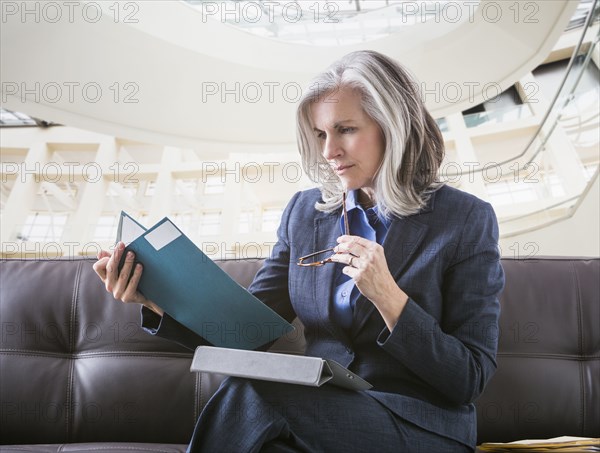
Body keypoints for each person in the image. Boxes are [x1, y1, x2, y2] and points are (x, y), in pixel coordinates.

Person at [93, 50, 505, 452]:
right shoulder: (305, 214)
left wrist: (389, 297)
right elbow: (246, 334)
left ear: (392, 126)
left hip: (419, 423)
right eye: (321, 134)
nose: (329, 151)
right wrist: (161, 298)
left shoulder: (466, 220)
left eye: (345, 129)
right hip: (319, 414)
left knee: (257, 394)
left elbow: (468, 377)